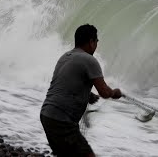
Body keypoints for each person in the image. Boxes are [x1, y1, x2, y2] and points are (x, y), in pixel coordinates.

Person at [40, 24, 122, 157]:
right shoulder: (90, 60)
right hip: (62, 120)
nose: (96, 45)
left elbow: (64, 85)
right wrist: (115, 92)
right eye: (96, 42)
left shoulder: (65, 57)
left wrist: (88, 95)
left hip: (47, 115)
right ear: (91, 42)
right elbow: (105, 92)